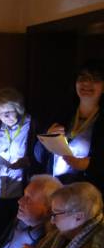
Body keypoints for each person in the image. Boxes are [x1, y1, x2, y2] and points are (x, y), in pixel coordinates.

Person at [35, 60, 104, 192]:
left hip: (86, 195)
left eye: (95, 79)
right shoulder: (62, 113)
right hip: (54, 190)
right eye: (82, 77)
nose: (86, 83)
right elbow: (39, 156)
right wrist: (47, 139)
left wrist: (90, 165)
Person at [0, 88, 36, 242]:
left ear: (18, 108)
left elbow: (42, 157)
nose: (4, 117)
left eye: (9, 112)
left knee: (18, 237)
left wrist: (28, 161)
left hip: (21, 191)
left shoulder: (33, 125)